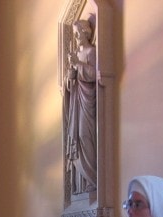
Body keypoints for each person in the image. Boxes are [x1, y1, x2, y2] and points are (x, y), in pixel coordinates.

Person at [64, 17, 98, 196]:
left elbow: (94, 74)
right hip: (76, 104)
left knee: (86, 137)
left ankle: (92, 179)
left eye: (78, 34)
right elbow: (70, 86)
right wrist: (70, 76)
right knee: (76, 136)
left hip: (87, 102)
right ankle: (81, 185)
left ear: (85, 33)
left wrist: (78, 64)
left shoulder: (91, 52)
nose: (76, 38)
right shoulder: (76, 54)